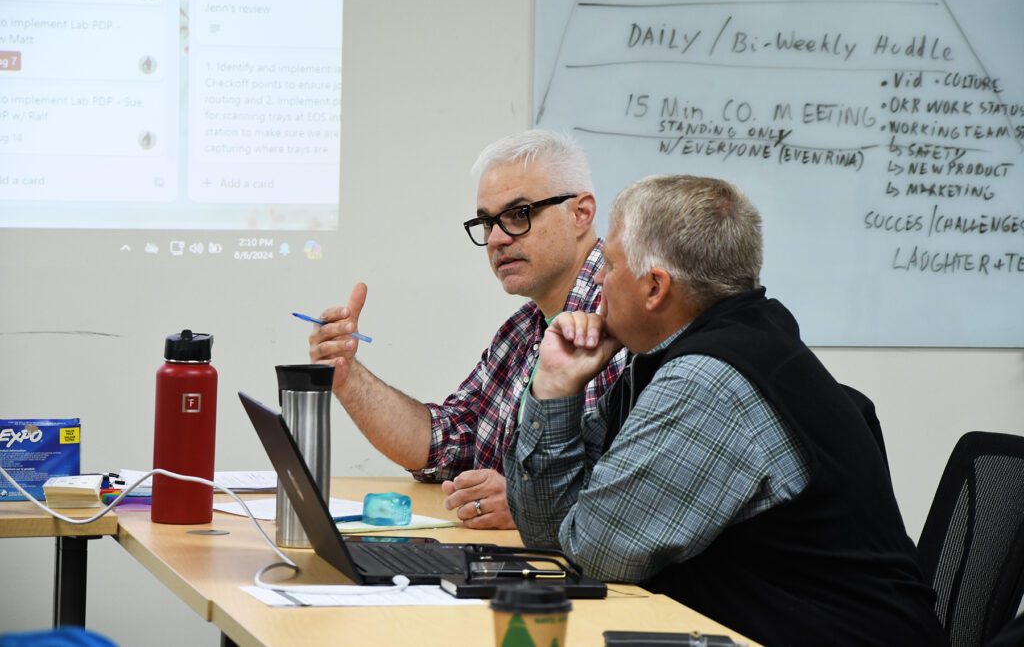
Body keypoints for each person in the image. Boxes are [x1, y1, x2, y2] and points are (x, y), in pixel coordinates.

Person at [505, 174, 947, 645]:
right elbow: (554, 538)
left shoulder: (708, 381)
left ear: (655, 287)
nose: (596, 279)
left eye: (609, 264)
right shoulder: (679, 355)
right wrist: (554, 387)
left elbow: (591, 555)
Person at [309, 130, 626, 530]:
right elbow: (445, 442)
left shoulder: (621, 321)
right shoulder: (521, 330)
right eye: (486, 222)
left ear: (581, 213)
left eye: (519, 214)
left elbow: (635, 494)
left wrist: (528, 503)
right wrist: (348, 376)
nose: (496, 238)